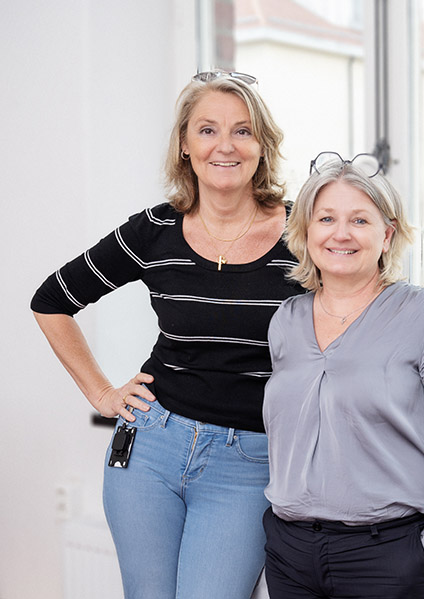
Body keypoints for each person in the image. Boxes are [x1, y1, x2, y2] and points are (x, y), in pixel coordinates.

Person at [31, 70, 304, 599]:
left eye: (243, 131)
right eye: (207, 130)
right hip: (149, 449)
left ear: (263, 145)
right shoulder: (154, 230)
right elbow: (51, 301)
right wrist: (102, 392)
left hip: (248, 461)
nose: (224, 145)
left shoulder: (302, 233)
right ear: (184, 144)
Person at [262, 151, 424, 599]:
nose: (341, 234)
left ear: (387, 235)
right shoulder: (286, 321)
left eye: (360, 220)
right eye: (326, 218)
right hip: (292, 555)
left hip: (391, 558)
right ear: (306, 232)